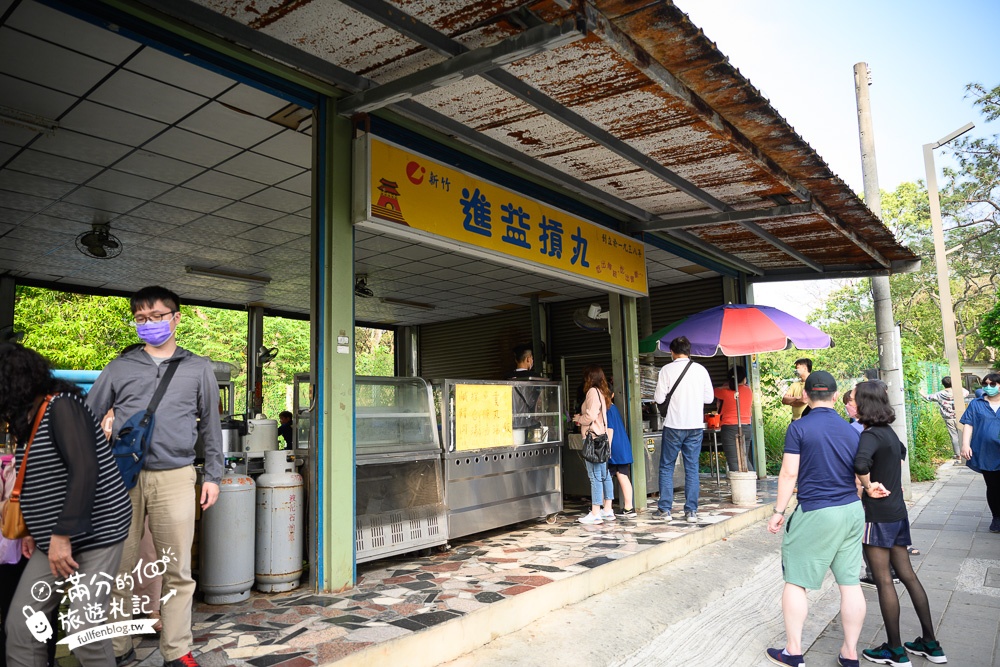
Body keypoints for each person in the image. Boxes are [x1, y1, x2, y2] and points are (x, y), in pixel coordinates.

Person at [86, 286, 224, 667]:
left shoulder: (199, 368)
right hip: (120, 479)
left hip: (177, 477)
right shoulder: (119, 367)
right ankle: (117, 646)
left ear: (176, 318)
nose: (148, 325)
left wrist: (213, 474)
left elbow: (211, 425)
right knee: (117, 567)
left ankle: (177, 650)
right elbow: (85, 418)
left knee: (177, 570)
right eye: (141, 319)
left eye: (157, 317)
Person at [0, 342, 132, 667]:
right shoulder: (30, 417)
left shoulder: (63, 406)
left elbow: (85, 469)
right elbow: (40, 481)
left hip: (97, 532)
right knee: (21, 626)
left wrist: (60, 534)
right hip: (54, 538)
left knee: (84, 626)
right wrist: (34, 529)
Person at [766, 371, 865, 667]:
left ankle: (793, 652)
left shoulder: (799, 427)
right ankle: (850, 654)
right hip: (851, 510)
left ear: (806, 396)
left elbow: (788, 473)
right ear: (836, 397)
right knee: (850, 584)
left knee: (796, 581)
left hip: (816, 512)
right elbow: (861, 472)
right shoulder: (852, 430)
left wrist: (778, 511)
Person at [852, 381, 947, 666]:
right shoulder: (889, 433)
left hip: (877, 514)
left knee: (883, 580)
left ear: (865, 403)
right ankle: (931, 644)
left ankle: (894, 649)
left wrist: (869, 486)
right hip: (897, 512)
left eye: (855, 399)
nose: (853, 403)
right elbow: (900, 455)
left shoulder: (869, 435)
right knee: (907, 575)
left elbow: (860, 464)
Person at [652, 336, 714, 523]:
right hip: (695, 426)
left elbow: (659, 398)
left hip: (673, 425)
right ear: (689, 351)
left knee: (666, 467)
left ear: (672, 352)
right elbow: (709, 399)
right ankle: (691, 512)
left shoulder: (666, 370)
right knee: (692, 468)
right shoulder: (701, 370)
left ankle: (665, 510)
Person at [572, 365, 615, 525]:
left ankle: (596, 511)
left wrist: (579, 419)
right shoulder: (602, 393)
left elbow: (590, 416)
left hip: (592, 439)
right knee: (604, 474)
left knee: (594, 476)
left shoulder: (592, 392)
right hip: (602, 438)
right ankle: (608, 509)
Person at [959, 371, 1000, 534]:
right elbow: (968, 424)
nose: (988, 387)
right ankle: (996, 517)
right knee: (993, 486)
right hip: (986, 453)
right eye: (985, 384)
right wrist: (965, 445)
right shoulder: (977, 404)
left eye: (992, 384)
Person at [713, 366, 753, 472]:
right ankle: (752, 484)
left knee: (734, 460)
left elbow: (714, 391)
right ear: (744, 378)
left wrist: (726, 386)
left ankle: (738, 486)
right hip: (746, 427)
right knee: (744, 459)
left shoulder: (725, 392)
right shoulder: (748, 390)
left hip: (729, 428)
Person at [923, 376, 968, 464]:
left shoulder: (940, 394)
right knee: (963, 434)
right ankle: (966, 452)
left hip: (948, 417)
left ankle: (958, 454)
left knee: (954, 436)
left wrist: (922, 393)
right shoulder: (959, 392)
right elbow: (967, 392)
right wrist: (957, 385)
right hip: (960, 416)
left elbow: (928, 397)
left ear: (943, 384)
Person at [605, 387, 635, 518]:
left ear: (611, 395)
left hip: (614, 447)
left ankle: (607, 507)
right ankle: (629, 507)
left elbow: (609, 430)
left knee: (607, 476)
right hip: (622, 446)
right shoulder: (614, 408)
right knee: (622, 475)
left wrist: (608, 449)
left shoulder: (607, 410)